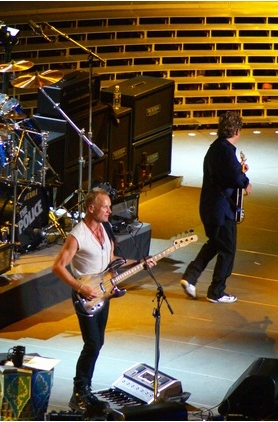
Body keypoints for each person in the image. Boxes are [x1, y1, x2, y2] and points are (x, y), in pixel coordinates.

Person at [52, 187, 156, 413]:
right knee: (92, 344)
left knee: (97, 343)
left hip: (104, 292)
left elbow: (111, 260)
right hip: (85, 296)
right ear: (91, 208)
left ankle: (85, 392)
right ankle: (79, 394)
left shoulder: (105, 228)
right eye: (106, 207)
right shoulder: (77, 235)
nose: (110, 211)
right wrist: (80, 288)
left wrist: (140, 262)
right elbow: (58, 266)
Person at [180, 111, 252, 303]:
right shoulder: (227, 151)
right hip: (221, 211)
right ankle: (216, 291)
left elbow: (225, 173)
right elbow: (235, 177)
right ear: (237, 131)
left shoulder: (215, 148)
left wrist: (239, 170)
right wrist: (245, 181)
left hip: (209, 207)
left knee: (215, 243)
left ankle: (190, 277)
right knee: (228, 250)